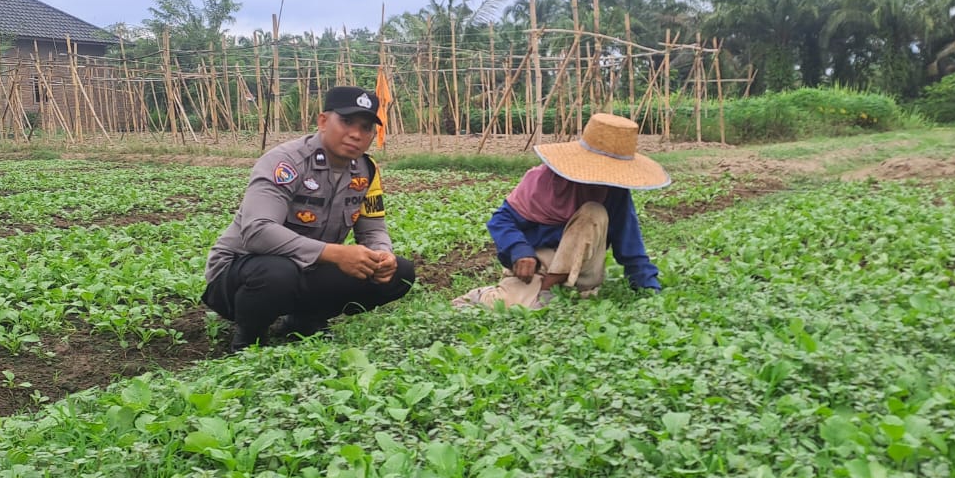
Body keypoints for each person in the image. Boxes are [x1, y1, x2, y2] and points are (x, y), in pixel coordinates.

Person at [203, 85, 415, 352]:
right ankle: (250, 337)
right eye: (347, 122)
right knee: (277, 272)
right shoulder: (286, 162)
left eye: (366, 127)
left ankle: (305, 319)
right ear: (323, 121)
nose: (356, 134)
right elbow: (257, 231)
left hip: (307, 269)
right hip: (239, 275)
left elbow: (372, 228)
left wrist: (383, 256)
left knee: (401, 272)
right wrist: (335, 253)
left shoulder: (366, 170)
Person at [454, 112, 670, 310]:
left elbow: (631, 249)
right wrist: (520, 251)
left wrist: (650, 291)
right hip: (539, 264)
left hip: (583, 271)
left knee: (594, 212)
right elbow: (502, 220)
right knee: (511, 306)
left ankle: (548, 290)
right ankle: (497, 295)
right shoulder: (543, 181)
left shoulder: (616, 193)